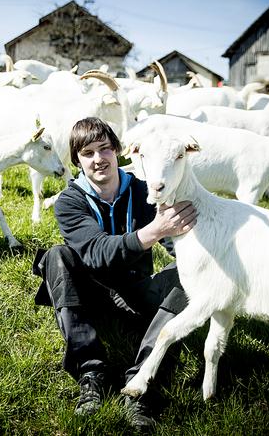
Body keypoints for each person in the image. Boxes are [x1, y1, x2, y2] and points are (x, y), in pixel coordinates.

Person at [33, 117, 198, 429]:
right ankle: (91, 373)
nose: (98, 159)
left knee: (188, 273)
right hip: (90, 295)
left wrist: (200, 263)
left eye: (104, 149)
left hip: (136, 291)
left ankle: (140, 388)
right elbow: (96, 252)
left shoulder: (143, 191)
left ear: (118, 151)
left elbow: (176, 244)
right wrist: (152, 231)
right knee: (56, 256)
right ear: (77, 161)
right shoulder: (69, 201)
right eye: (88, 153)